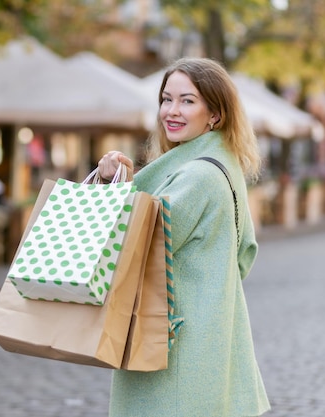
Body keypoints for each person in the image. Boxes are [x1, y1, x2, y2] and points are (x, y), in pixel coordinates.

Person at [98, 57, 270, 417]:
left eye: (187, 101)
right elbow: (244, 255)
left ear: (215, 114)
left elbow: (131, 247)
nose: (171, 111)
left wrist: (108, 190)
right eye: (166, 99)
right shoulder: (223, 166)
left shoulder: (197, 177)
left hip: (174, 351)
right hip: (206, 342)